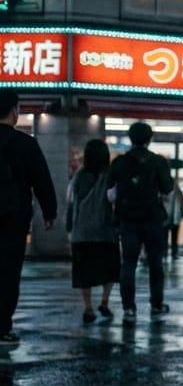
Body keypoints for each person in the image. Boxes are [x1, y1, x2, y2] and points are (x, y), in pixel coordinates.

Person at [0, 89, 58, 344]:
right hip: (13, 217)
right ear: (14, 111)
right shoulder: (25, 144)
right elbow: (41, 180)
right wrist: (49, 212)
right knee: (8, 273)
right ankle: (2, 327)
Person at [107, 121, 174, 325]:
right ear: (149, 139)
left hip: (127, 218)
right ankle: (156, 303)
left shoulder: (119, 162)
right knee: (155, 262)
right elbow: (167, 188)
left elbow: (109, 188)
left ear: (130, 138)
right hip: (152, 218)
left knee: (128, 263)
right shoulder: (158, 161)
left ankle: (129, 307)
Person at [66, 139, 119, 324]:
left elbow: (70, 203)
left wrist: (69, 229)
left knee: (84, 271)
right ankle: (104, 301)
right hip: (106, 230)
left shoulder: (78, 177)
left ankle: (88, 307)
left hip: (82, 232)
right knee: (110, 269)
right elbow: (115, 199)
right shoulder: (110, 176)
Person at [166, 179, 183, 260]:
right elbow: (182, 203)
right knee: (170, 237)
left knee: (171, 237)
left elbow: (182, 203)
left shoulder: (177, 192)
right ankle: (169, 253)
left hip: (171, 217)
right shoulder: (175, 191)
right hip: (170, 217)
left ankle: (170, 253)